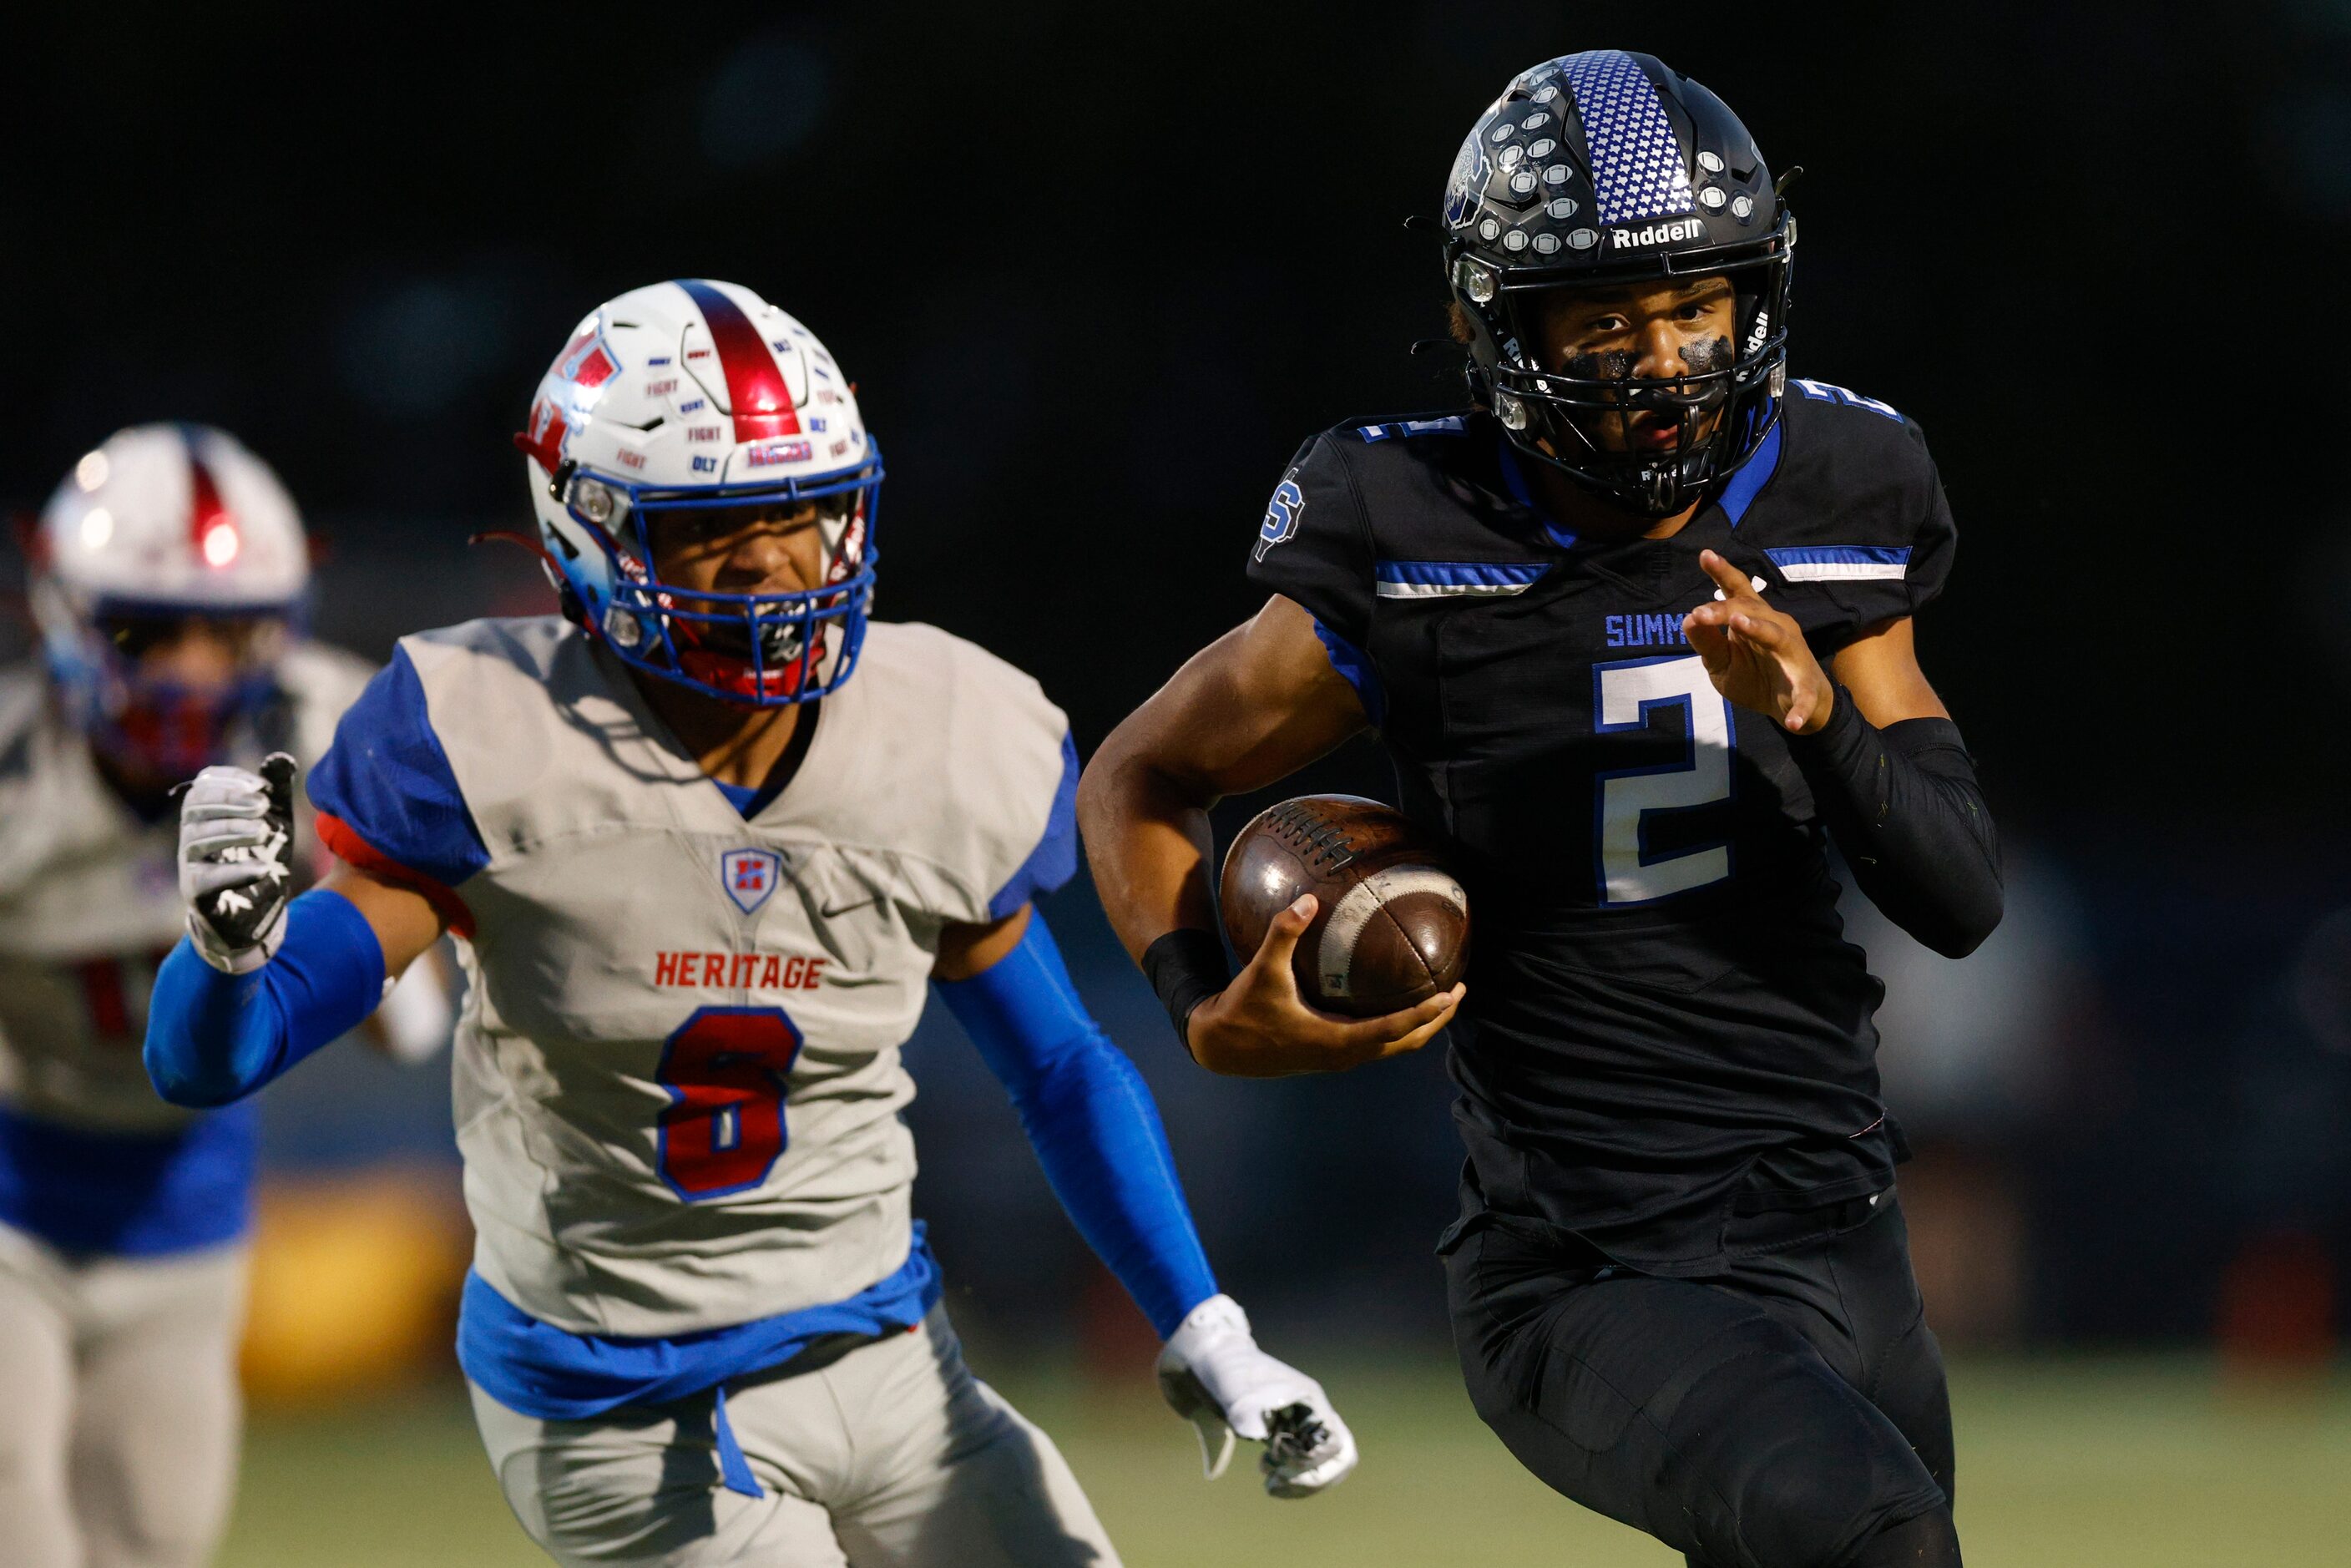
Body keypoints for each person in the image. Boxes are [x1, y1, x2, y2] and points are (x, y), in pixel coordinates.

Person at [144, 280, 1356, 1567]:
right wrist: (225, 955)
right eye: (711, 524)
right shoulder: (484, 735)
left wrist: (1204, 1323)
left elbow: (1057, 1063)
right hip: (618, 1401)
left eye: (804, 508)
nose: (774, 560)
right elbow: (209, 1057)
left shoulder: (935, 727)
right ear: (589, 531)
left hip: (891, 1363)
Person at [1076, 51, 2000, 1568]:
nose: (1664, 359)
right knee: (1878, 1541)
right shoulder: (1414, 529)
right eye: (1608, 320)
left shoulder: (1844, 484)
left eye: (1697, 307)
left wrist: (1818, 713)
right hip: (1590, 1266)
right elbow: (1140, 773)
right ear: (1496, 326)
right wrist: (1199, 995)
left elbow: (1962, 898)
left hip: (1842, 1223)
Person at [0, 424, 444, 1568]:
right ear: (64, 614)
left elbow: (414, 1024)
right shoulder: (17, 775)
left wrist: (348, 906)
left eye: (229, 628)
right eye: (149, 627)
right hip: (13, 1193)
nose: (193, 670)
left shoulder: (331, 732)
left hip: (191, 1208)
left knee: (154, 1541)